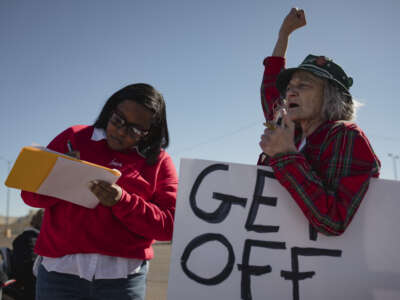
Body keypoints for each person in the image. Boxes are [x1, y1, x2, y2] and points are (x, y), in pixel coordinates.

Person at [21, 83, 178, 300]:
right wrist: (60, 176)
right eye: (118, 120)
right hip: (60, 276)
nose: (121, 132)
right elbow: (29, 196)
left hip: (122, 282)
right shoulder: (74, 138)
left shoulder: (158, 161)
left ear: (150, 132)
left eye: (134, 129)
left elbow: (169, 225)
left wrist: (123, 202)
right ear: (110, 111)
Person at [258, 8, 381, 236]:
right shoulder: (289, 130)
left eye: (303, 85)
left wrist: (285, 155)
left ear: (330, 97)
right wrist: (284, 35)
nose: (291, 93)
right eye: (290, 87)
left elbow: (333, 221)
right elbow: (270, 87)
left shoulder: (346, 137)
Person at [12, 209, 44, 300]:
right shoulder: (34, 241)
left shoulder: (21, 238)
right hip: (31, 288)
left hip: (21, 284)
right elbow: (31, 269)